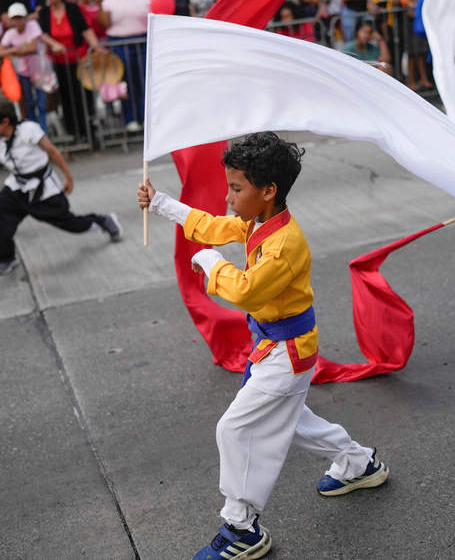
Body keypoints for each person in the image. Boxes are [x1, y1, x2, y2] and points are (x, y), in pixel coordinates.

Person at [137, 132, 388, 560]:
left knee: (235, 429)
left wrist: (213, 263)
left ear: (267, 191)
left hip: (286, 354)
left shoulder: (284, 243)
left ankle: (242, 527)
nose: (228, 196)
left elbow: (249, 293)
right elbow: (215, 225)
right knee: (292, 421)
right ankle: (359, 463)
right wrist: (161, 203)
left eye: (236, 188)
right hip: (278, 349)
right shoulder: (259, 221)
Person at [0, 96, 121, 275]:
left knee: (70, 223)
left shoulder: (29, 130)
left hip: (43, 188)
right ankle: (6, 256)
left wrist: (68, 177)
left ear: (5, 122)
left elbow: (52, 151)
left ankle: (103, 221)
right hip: (17, 186)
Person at [39, 0, 105, 140]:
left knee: (83, 95)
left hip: (78, 58)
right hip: (58, 61)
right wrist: (54, 44)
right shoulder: (44, 12)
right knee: (65, 97)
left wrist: (96, 46)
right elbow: (42, 33)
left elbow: (85, 29)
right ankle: (73, 132)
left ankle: (88, 130)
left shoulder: (72, 9)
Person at [99, 0, 151, 132]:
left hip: (143, 42)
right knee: (125, 84)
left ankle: (147, 119)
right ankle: (131, 118)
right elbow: (104, 24)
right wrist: (100, 5)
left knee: (145, 81)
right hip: (119, 44)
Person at [0, 2, 48, 131]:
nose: (18, 21)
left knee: (41, 104)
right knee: (28, 103)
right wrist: (16, 50)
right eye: (15, 18)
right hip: (23, 71)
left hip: (38, 70)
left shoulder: (33, 26)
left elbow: (32, 47)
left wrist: (16, 50)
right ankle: (34, 130)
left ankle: (43, 130)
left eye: (20, 17)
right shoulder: (10, 33)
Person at [397, 0, 434, 91]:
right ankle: (412, 80)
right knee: (412, 51)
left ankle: (423, 78)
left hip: (425, 17)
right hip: (412, 18)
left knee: (423, 50)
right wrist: (418, 8)